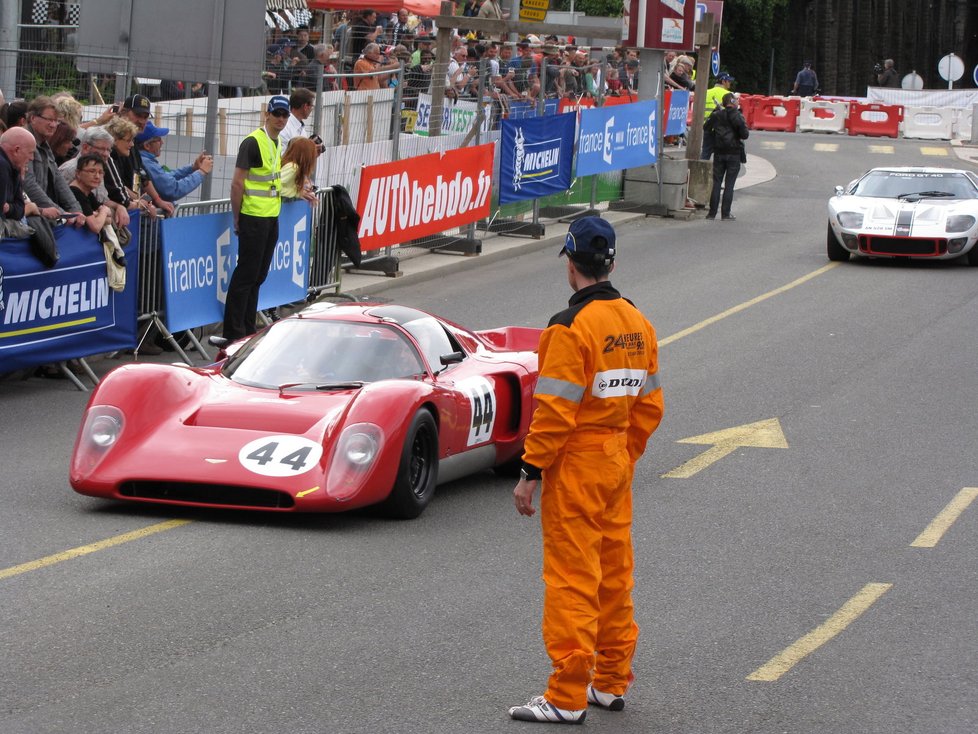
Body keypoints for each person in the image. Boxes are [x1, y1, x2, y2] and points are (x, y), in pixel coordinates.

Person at [509, 216, 664, 725]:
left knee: (572, 579)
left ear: (570, 265)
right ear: (612, 263)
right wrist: (621, 453)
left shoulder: (568, 328)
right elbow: (649, 405)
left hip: (577, 464)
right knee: (615, 576)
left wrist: (532, 471)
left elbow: (554, 412)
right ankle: (609, 682)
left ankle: (566, 696)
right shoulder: (638, 323)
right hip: (616, 458)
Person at [222, 95, 289, 342]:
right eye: (277, 114)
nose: (281, 119)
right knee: (246, 276)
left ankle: (247, 329)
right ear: (267, 114)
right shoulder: (253, 142)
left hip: (270, 217)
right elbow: (237, 183)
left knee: (258, 276)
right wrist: (237, 216)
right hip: (253, 217)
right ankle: (233, 332)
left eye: (285, 115)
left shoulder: (276, 141)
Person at [22, 96, 85, 227]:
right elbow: (29, 184)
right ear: (33, 118)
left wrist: (76, 211)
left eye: (56, 121)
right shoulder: (24, 141)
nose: (53, 125)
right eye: (49, 119)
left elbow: (58, 179)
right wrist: (62, 213)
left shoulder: (44, 144)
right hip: (29, 217)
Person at [137, 121, 212, 203]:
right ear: (147, 146)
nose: (162, 142)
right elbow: (173, 189)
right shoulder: (147, 163)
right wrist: (201, 172)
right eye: (158, 139)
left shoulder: (144, 160)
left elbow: (167, 177)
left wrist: (193, 167)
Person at [706, 92, 749, 221]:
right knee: (729, 184)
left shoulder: (717, 115)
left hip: (719, 151)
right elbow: (745, 134)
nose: (737, 101)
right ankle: (725, 214)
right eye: (736, 99)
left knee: (717, 183)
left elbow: (706, 128)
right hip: (734, 152)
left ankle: (711, 213)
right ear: (732, 101)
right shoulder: (737, 115)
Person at [0, 127, 39, 225]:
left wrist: (9, 208)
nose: (31, 158)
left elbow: (20, 209)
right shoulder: (2, 166)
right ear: (16, 150)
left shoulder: (14, 168)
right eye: (30, 153)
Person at [701, 71, 734, 160]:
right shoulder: (728, 94)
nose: (730, 83)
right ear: (723, 81)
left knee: (705, 153)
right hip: (721, 128)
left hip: (707, 126)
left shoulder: (706, 92)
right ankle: (717, 173)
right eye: (729, 81)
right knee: (720, 155)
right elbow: (732, 112)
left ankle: (700, 172)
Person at [279, 137, 319, 204]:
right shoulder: (292, 167)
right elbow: (274, 186)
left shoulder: (293, 166)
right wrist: (296, 193)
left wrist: (299, 192)